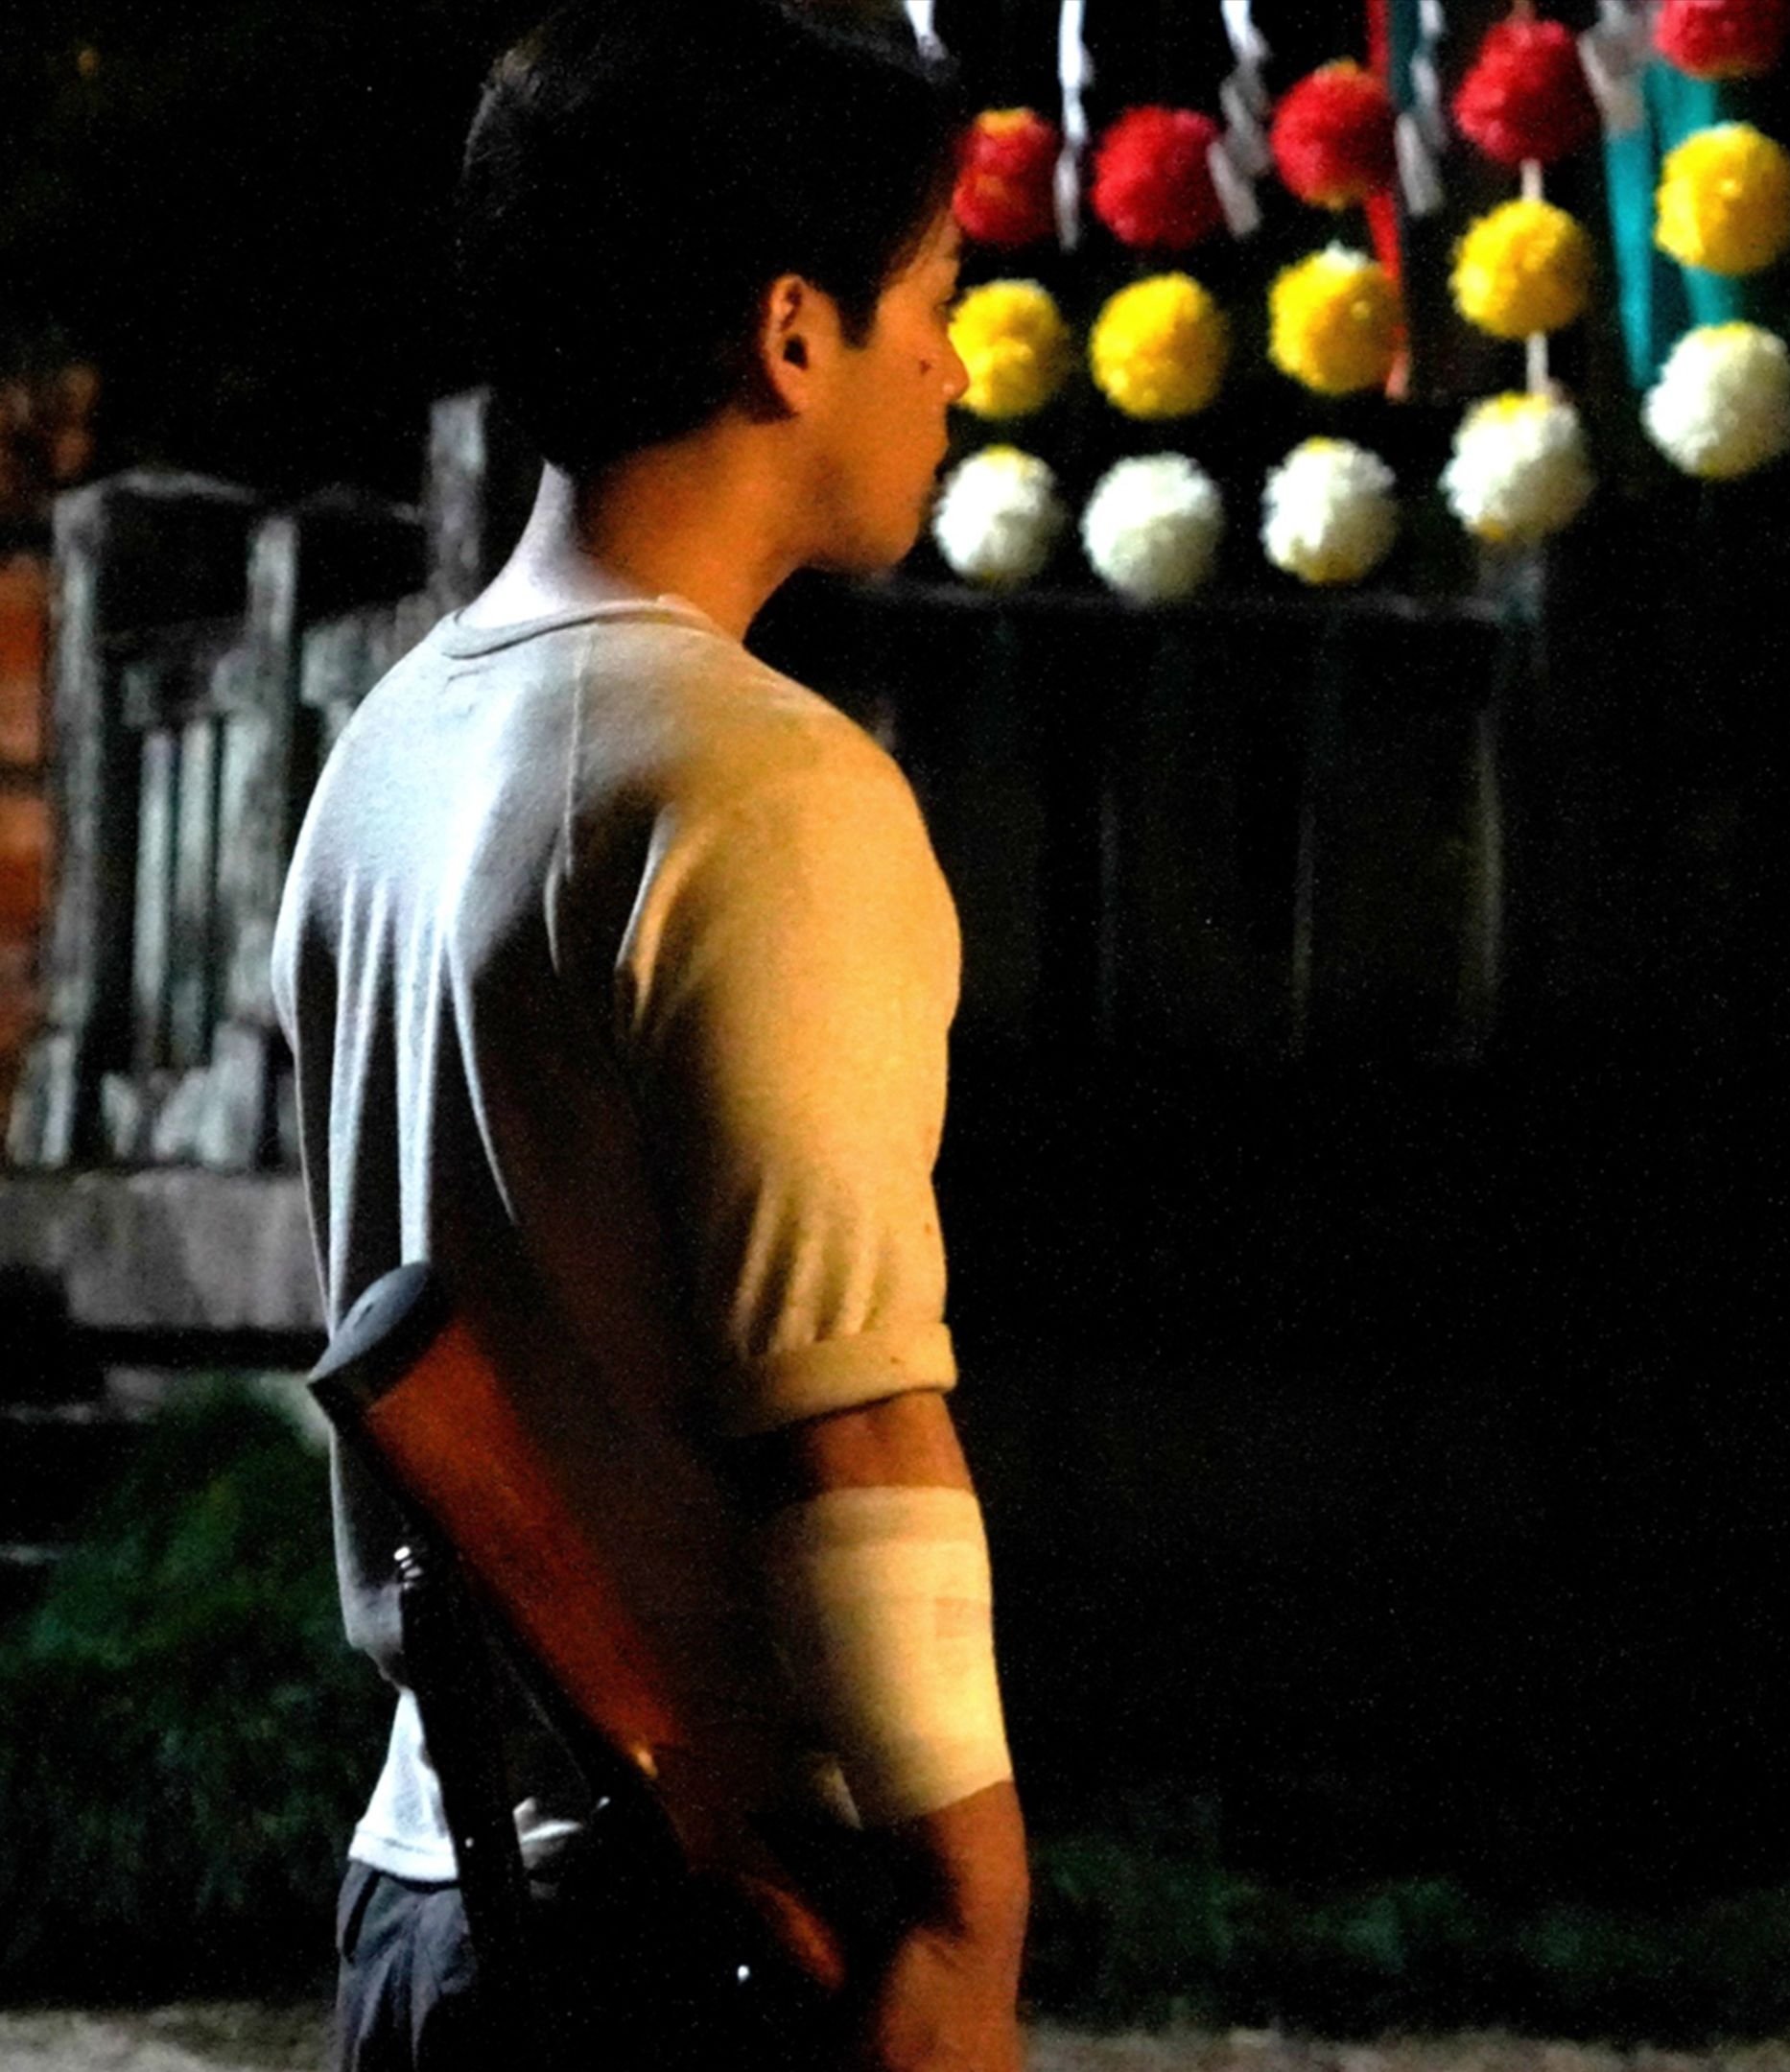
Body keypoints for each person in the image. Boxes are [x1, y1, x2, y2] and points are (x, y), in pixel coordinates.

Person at [270, 2, 1019, 2064]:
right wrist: (970, 1914)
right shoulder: (753, 787)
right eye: (935, 300)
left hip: (425, 1888)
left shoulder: (392, 749)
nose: (955, 365)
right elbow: (846, 1419)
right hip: (687, 1931)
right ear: (794, 333)